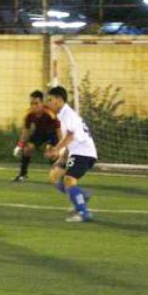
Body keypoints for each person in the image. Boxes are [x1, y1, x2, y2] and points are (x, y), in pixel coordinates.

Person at [44, 86, 97, 223]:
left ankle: (83, 212)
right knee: (54, 177)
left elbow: (71, 136)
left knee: (69, 181)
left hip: (83, 152)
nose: (48, 103)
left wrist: (56, 149)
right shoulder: (63, 115)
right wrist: (61, 160)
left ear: (59, 99)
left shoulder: (68, 114)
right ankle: (81, 196)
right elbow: (70, 142)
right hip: (77, 152)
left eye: (50, 100)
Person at [12, 90, 61, 183]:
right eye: (31, 103)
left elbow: (59, 130)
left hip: (52, 133)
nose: (33, 106)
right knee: (27, 149)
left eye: (36, 103)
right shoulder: (29, 114)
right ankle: (22, 174)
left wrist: (61, 146)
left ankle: (58, 174)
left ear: (42, 103)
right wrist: (19, 146)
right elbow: (25, 132)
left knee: (51, 153)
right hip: (40, 133)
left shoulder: (50, 113)